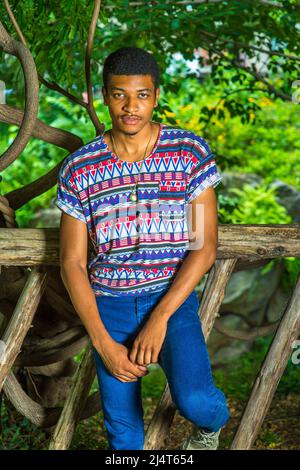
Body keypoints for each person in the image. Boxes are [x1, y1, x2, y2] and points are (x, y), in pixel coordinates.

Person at [54, 46, 230, 451]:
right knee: (124, 436)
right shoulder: (80, 167)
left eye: (142, 95)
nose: (131, 107)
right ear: (104, 95)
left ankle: (212, 427)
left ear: (156, 95)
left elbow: (204, 248)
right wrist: (102, 342)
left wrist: (160, 317)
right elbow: (72, 263)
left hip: (170, 297)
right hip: (109, 304)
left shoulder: (188, 153)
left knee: (196, 401)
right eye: (119, 95)